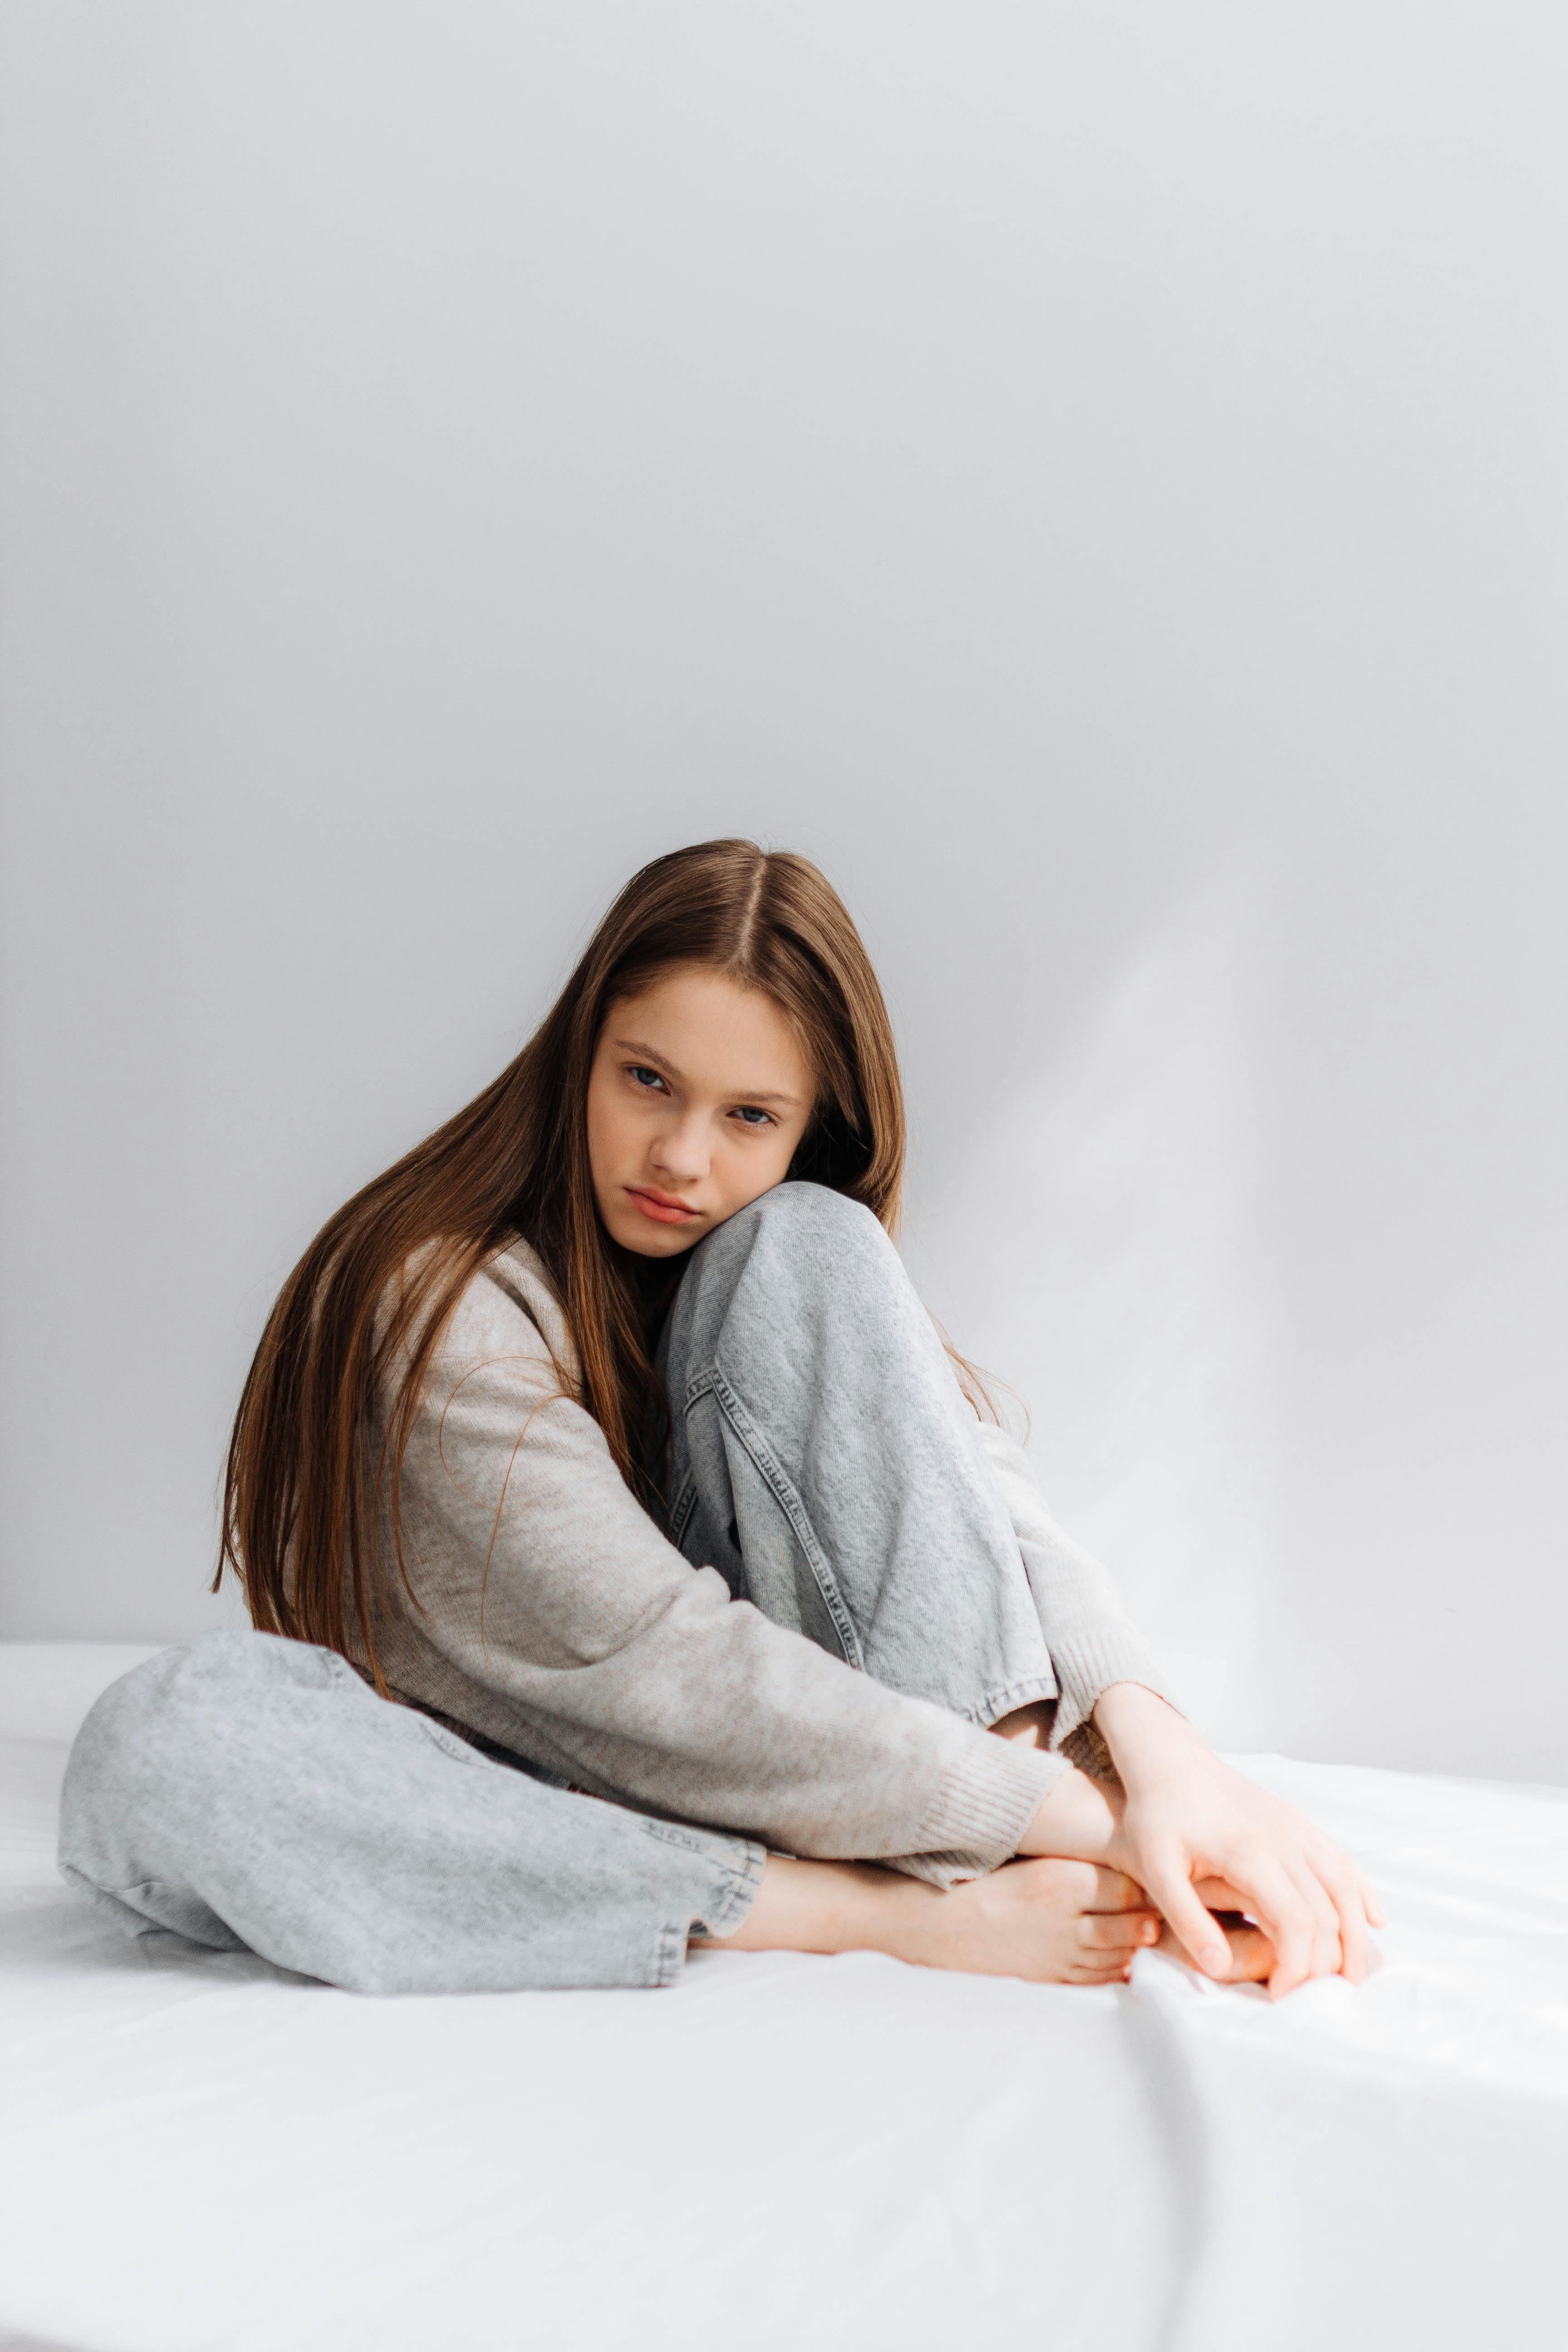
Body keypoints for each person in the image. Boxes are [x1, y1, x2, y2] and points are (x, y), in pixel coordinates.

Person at [61, 840, 1381, 1998]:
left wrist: (1170, 1767)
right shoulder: (442, 1300)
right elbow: (655, 1664)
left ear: (811, 1127)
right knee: (169, 1742)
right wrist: (1091, 1830)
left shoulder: (772, 1261)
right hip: (538, 1799)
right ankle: (878, 1906)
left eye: (749, 1116)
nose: (683, 1157)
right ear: (582, 1052)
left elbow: (984, 1490)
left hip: (827, 1759)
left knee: (814, 1249)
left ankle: (978, 1816)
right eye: (647, 1082)